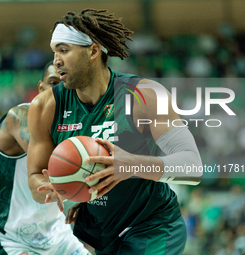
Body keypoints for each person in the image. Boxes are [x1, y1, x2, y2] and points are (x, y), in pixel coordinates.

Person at [27, 9, 203, 255]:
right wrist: (52, 185)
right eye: (54, 51)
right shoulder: (44, 107)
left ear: (93, 51)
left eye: (64, 50)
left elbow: (193, 166)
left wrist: (131, 165)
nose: (56, 60)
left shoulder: (146, 95)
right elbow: (35, 178)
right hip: (93, 230)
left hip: (150, 225)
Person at [0, 61, 90, 255]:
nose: (59, 92)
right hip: (9, 238)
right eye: (53, 83)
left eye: (67, 85)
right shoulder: (19, 117)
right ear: (41, 89)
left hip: (57, 236)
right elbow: (53, 168)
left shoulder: (78, 121)